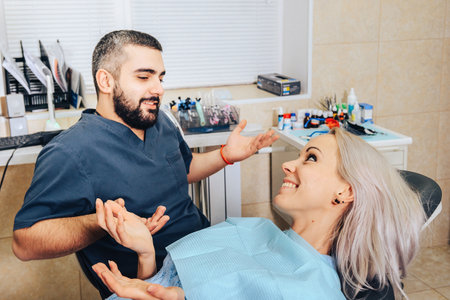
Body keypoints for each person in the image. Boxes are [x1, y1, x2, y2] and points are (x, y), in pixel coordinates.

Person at [11, 30, 278, 299]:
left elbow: (184, 170)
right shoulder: (70, 151)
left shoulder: (159, 121)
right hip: (152, 281)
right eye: (144, 76)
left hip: (205, 254)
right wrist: (103, 223)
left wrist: (226, 155)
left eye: (160, 78)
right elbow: (25, 243)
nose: (159, 89)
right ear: (105, 80)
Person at [92, 128, 425, 300]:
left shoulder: (314, 288)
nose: (288, 163)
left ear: (346, 191)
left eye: (310, 158)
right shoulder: (254, 230)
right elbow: (165, 285)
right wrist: (146, 252)